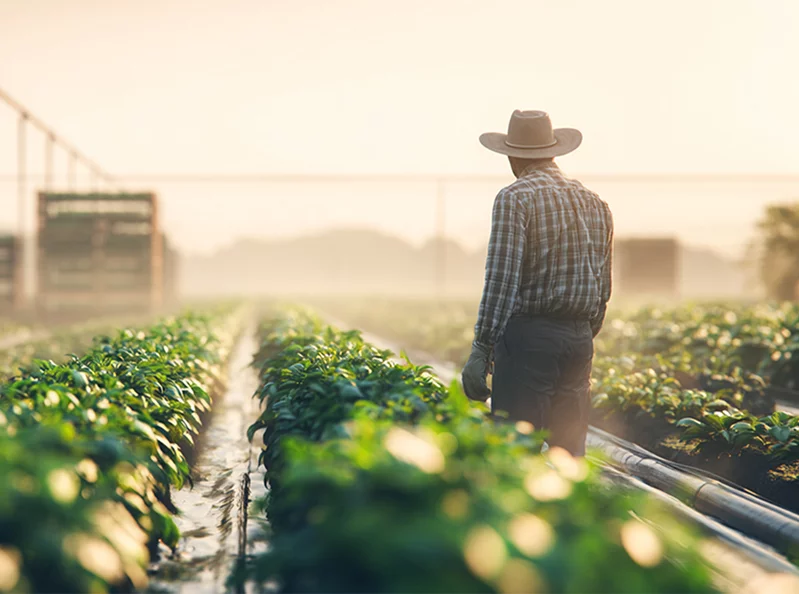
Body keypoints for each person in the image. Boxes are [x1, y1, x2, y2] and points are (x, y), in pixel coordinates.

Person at [461, 109, 614, 457]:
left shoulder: (514, 198)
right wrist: (578, 335)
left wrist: (482, 348)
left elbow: (502, 278)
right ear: (554, 151)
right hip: (579, 342)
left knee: (516, 454)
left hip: (529, 339)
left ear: (513, 156)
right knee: (569, 458)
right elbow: (603, 288)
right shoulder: (596, 203)